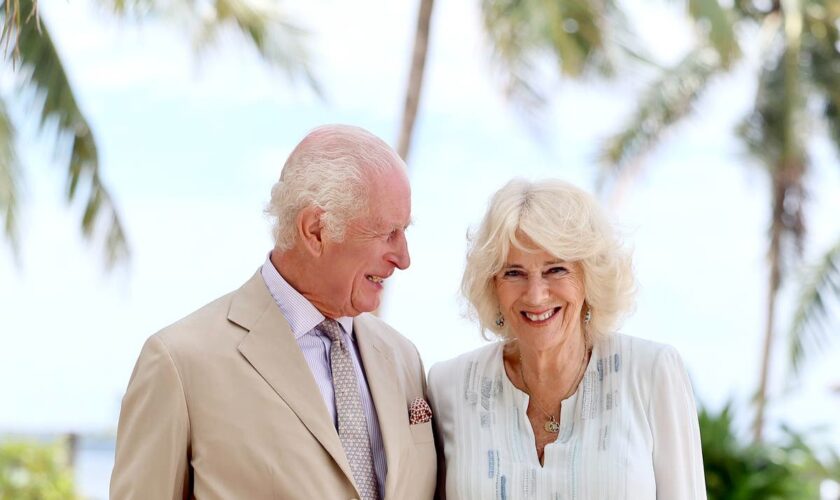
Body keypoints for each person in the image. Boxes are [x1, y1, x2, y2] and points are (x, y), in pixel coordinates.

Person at [111, 125, 437, 500]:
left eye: (405, 231)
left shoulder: (403, 358)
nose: (404, 258)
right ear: (315, 230)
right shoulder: (179, 363)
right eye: (387, 233)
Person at [428, 178, 706, 499]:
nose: (535, 296)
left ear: (589, 276)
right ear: (493, 284)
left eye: (556, 270)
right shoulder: (450, 386)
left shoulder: (651, 372)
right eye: (513, 273)